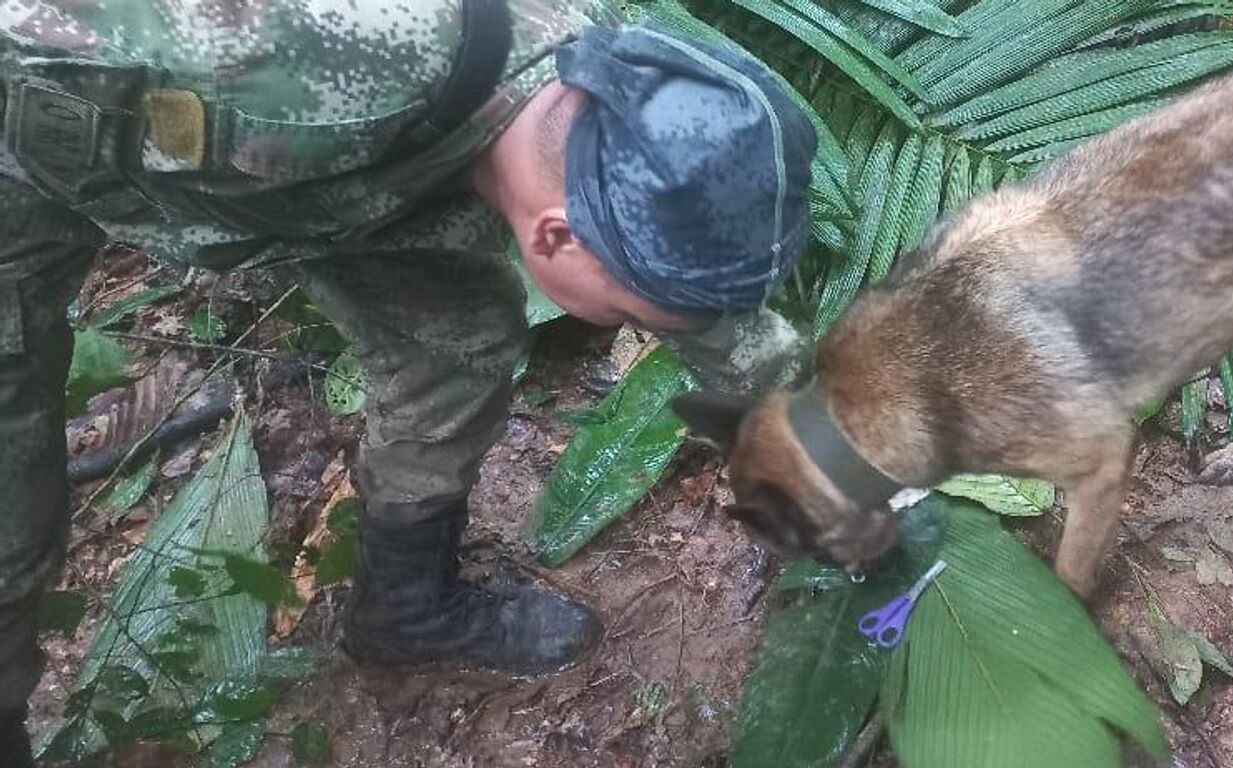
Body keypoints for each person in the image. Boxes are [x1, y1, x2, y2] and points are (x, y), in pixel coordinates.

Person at [0, 0, 817, 762]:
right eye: (635, 316)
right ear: (558, 237)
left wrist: (826, 461)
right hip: (31, 135)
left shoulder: (607, 95)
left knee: (454, 343)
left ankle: (405, 607)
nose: (649, 328)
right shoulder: (292, 83)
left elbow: (703, 306)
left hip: (320, 170)